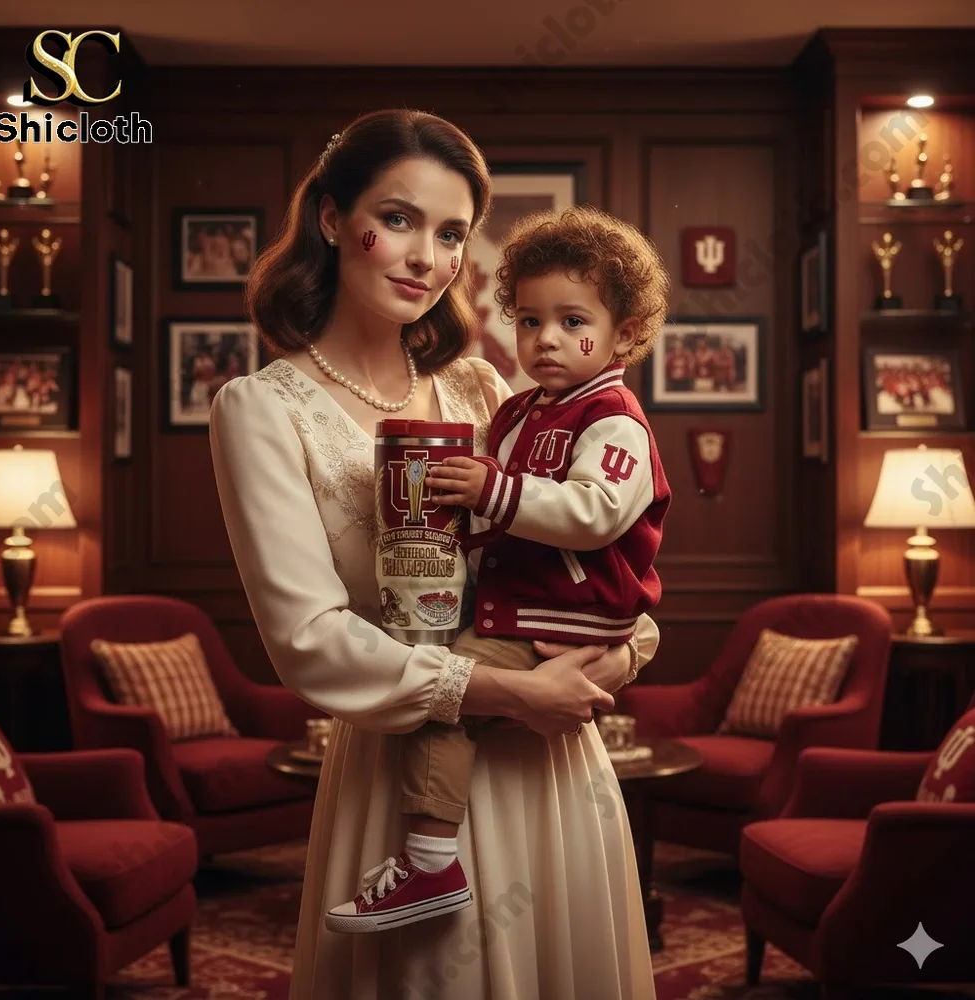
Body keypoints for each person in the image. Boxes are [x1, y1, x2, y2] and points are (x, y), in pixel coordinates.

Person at [209, 108, 662, 1000]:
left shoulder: (483, 386)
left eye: (452, 233)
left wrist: (626, 650)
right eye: (402, 220)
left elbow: (590, 543)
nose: (426, 256)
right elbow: (307, 639)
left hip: (553, 759)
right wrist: (507, 690)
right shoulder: (260, 410)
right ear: (334, 219)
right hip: (403, 770)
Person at [325, 204, 671, 935]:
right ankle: (435, 859)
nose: (548, 340)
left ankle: (429, 864)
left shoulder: (613, 419)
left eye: (575, 322)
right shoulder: (516, 413)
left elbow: (594, 514)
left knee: (438, 712)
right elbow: (502, 522)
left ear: (626, 334)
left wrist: (490, 490)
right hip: (517, 607)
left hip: (559, 617)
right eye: (530, 320)